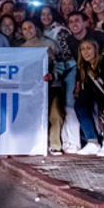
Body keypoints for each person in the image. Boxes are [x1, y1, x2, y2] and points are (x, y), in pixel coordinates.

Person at [40, 6, 80, 154]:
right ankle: (63, 141)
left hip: (68, 70)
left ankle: (74, 142)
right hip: (53, 74)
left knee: (69, 105)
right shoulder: (38, 33)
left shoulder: (60, 30)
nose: (45, 16)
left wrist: (57, 73)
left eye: (48, 13)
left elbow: (64, 55)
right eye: (42, 14)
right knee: (59, 108)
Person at [22, 19, 62, 155]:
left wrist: (54, 75)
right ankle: (36, 144)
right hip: (33, 89)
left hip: (52, 86)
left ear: (36, 28)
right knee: (34, 116)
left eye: (30, 27)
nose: (28, 31)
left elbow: (61, 63)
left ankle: (55, 144)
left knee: (55, 113)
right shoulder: (21, 49)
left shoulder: (49, 44)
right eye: (24, 29)